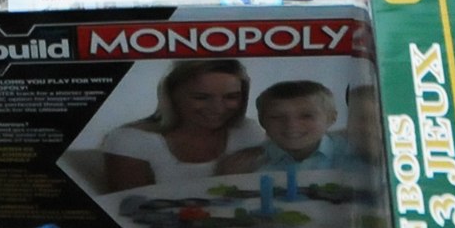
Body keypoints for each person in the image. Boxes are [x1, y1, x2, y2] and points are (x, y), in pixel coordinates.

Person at [100, 60, 259, 188]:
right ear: (172, 95)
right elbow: (129, 211)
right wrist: (223, 181)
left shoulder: (248, 131)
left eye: (231, 97)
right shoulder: (129, 140)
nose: (218, 108)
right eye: (201, 97)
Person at [217, 82, 372, 178]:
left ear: (331, 118)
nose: (291, 125)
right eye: (277, 117)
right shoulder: (245, 165)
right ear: (262, 121)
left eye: (306, 116)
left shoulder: (357, 153)